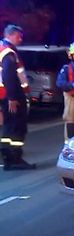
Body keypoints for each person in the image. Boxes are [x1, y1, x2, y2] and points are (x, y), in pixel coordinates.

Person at [0, 25, 36, 170]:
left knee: (8, 127)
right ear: (11, 35)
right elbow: (10, 76)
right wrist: (13, 98)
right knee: (17, 127)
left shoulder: (2, 49)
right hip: (12, 97)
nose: (20, 39)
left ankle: (8, 158)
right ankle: (15, 158)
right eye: (18, 36)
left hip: (4, 95)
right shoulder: (9, 53)